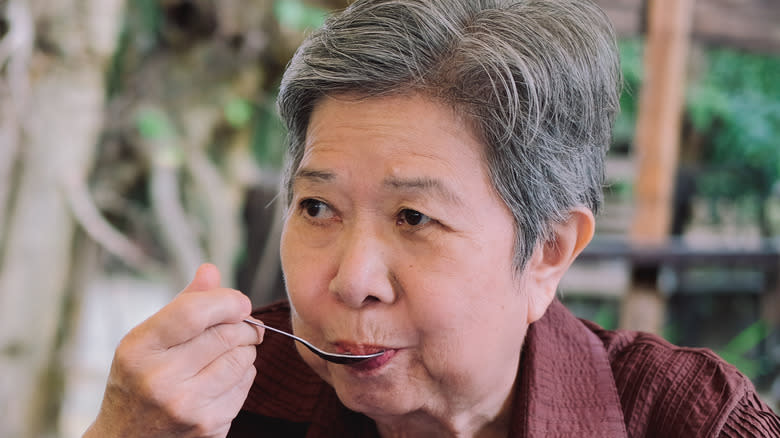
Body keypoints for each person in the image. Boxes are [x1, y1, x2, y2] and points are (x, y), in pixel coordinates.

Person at [84, 0, 780, 437]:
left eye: (414, 217)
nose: (352, 281)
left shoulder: (688, 420)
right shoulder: (225, 404)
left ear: (548, 252)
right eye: (318, 207)